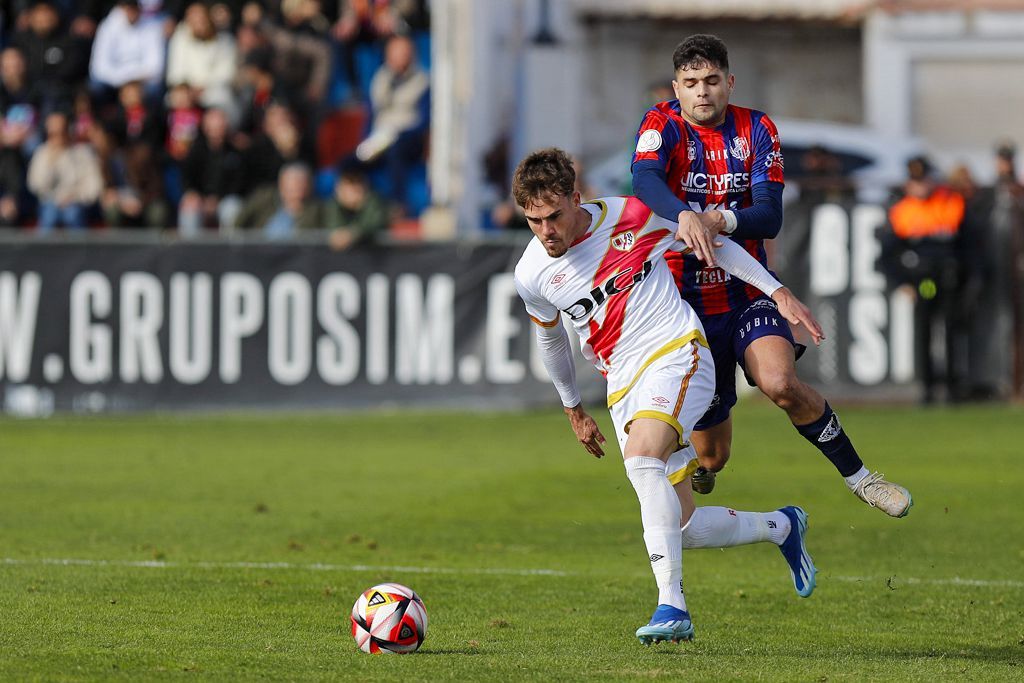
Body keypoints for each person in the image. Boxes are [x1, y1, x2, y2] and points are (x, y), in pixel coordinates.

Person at [512, 148, 820, 645]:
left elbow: (712, 240)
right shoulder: (532, 274)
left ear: (576, 198)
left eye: (554, 217)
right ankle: (782, 527)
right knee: (682, 526)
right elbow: (550, 339)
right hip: (623, 383)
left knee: (641, 460)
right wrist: (573, 407)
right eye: (533, 221)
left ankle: (671, 606)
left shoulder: (632, 215)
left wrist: (775, 289)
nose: (547, 231)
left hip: (677, 351)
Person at [631, 34, 912, 517]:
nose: (702, 92)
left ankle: (862, 479)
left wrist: (718, 220)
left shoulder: (756, 128)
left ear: (730, 82)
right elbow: (645, 179)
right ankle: (702, 464)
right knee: (713, 456)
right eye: (692, 83)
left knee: (780, 382)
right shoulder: (661, 123)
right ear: (676, 88)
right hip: (683, 311)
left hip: (745, 293)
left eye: (712, 81)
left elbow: (769, 216)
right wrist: (683, 215)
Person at [26, 110, 103, 230]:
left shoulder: (83, 153)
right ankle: (42, 248)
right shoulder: (41, 153)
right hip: (50, 203)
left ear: (68, 131)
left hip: (77, 203)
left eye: (60, 132)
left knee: (72, 213)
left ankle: (81, 249)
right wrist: (51, 162)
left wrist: (75, 197)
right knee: (49, 214)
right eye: (52, 133)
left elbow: (94, 186)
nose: (57, 137)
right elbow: (35, 185)